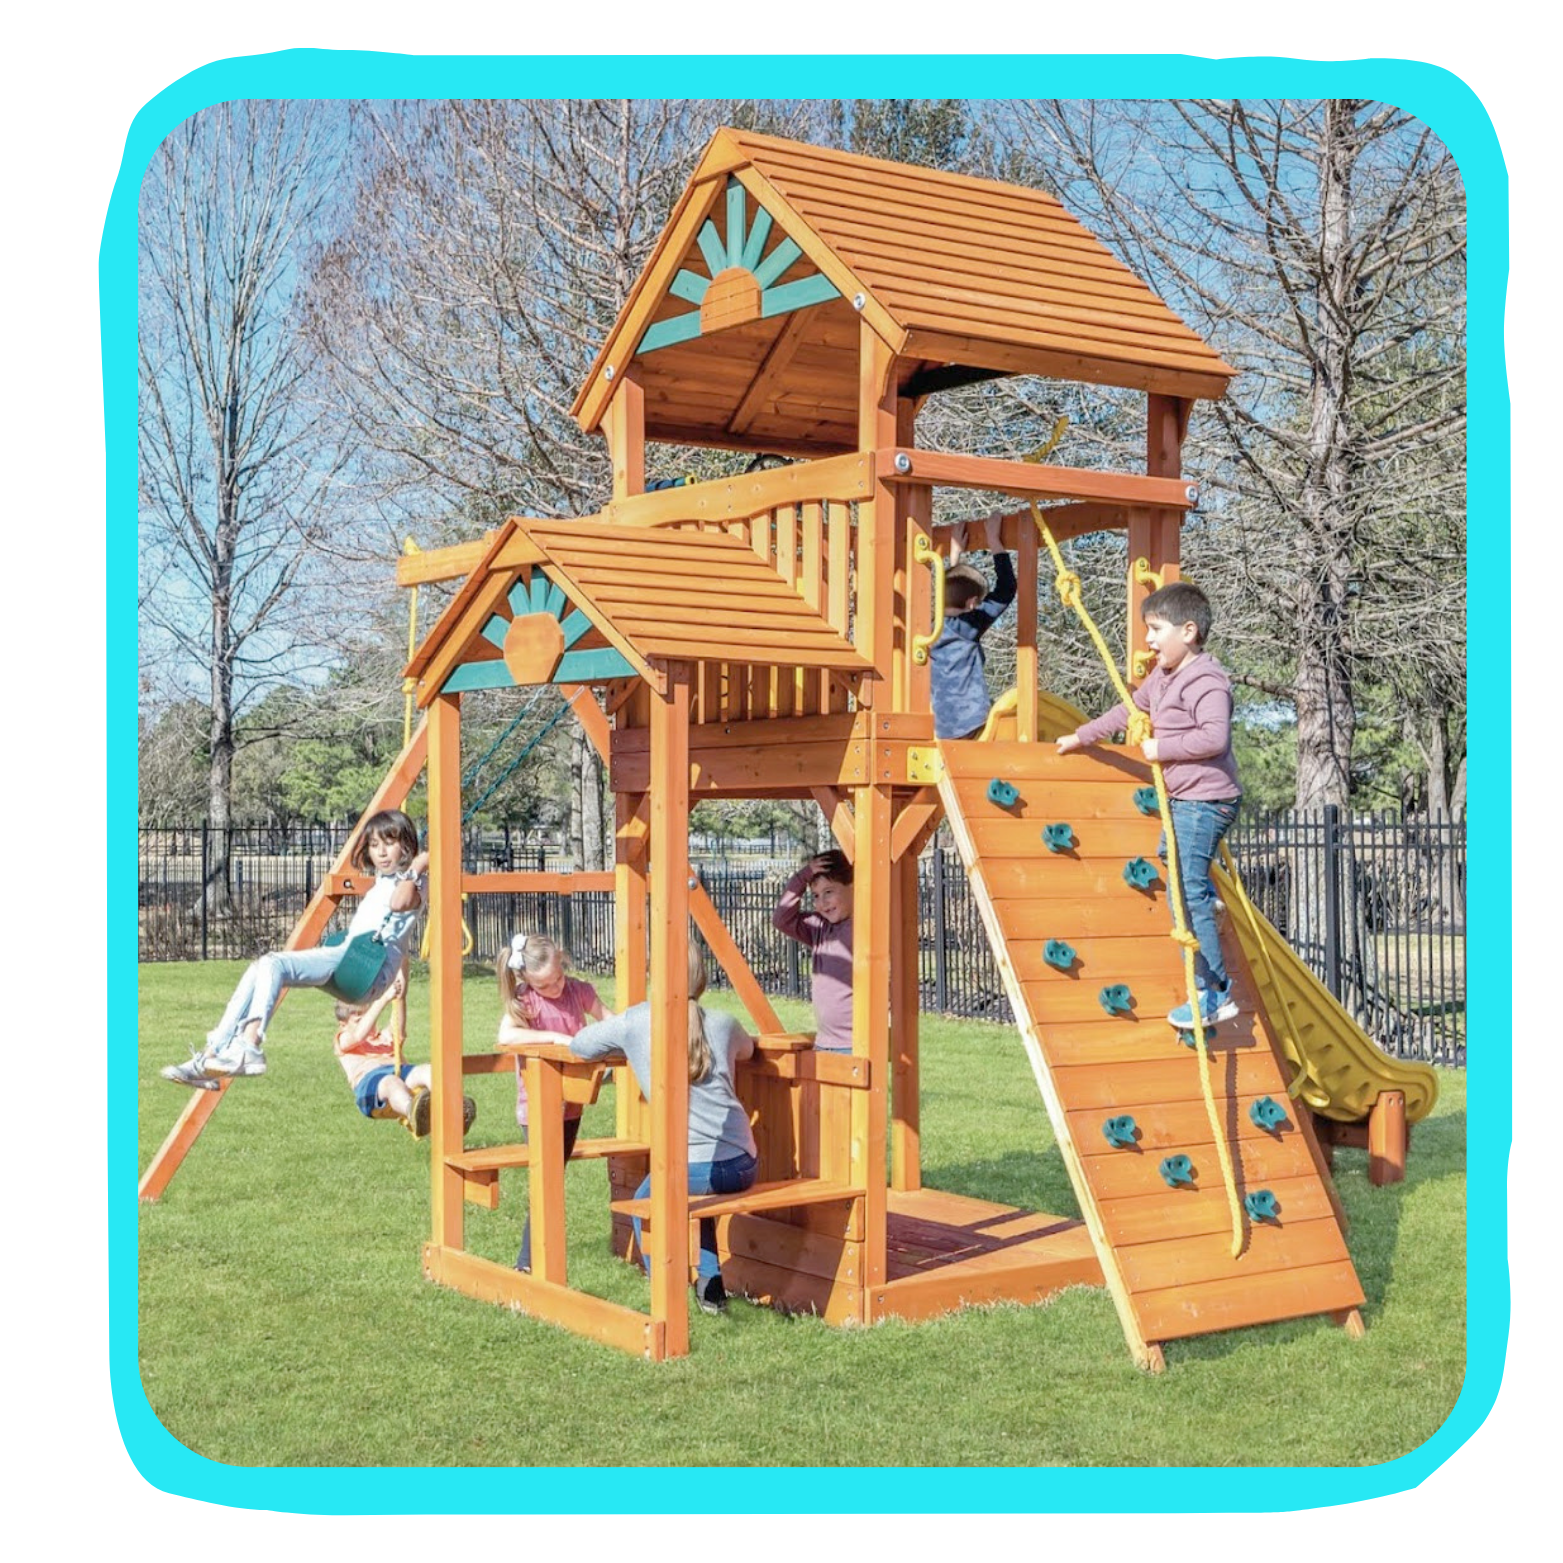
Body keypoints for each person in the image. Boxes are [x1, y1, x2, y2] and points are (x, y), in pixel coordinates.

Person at [1056, 580, 1242, 1029]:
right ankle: (1209, 904)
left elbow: (1215, 737)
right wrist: (1081, 736)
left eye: (1157, 629)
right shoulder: (1162, 678)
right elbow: (1126, 711)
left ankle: (1214, 993)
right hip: (1187, 799)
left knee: (1185, 891)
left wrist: (1164, 747)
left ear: (1190, 631)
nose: (1149, 639)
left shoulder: (1207, 679)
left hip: (1206, 798)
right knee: (1171, 862)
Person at [162, 809, 429, 1090]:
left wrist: (418, 865)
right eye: (375, 846)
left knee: (273, 964)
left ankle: (250, 1044)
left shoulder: (416, 882)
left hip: (367, 970)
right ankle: (210, 1057)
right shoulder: (386, 881)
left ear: (407, 846)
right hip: (351, 961)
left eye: (389, 843)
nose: (382, 852)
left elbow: (400, 904)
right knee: (260, 968)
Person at [568, 942, 757, 1315]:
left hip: (699, 1166)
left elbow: (579, 1045)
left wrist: (627, 1047)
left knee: (646, 1203)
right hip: (744, 1162)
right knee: (691, 1193)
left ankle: (666, 1293)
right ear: (701, 977)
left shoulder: (637, 1022)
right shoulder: (724, 1022)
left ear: (656, 975)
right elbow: (748, 1050)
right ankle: (709, 1288)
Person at [498, 932, 611, 1274]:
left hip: (571, 1105)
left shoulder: (580, 991)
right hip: (536, 1107)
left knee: (553, 1180)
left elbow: (612, 1021)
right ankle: (528, 1263)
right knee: (545, 1184)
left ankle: (532, 1261)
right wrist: (557, 1038)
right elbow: (506, 1036)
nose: (556, 987)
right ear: (527, 980)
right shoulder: (526, 1000)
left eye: (559, 976)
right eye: (546, 985)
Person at [333, 966, 476, 1138]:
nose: (368, 1022)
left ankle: (454, 1111)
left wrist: (402, 965)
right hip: (371, 1087)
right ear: (343, 1024)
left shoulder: (383, 1038)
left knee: (429, 1070)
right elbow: (358, 1035)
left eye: (368, 1016)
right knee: (390, 1082)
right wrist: (382, 999)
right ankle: (414, 1113)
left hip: (400, 1075)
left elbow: (399, 1008)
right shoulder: (343, 1039)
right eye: (359, 1019)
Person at [930, 511, 1015, 741]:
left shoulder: (930, 629)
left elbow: (952, 592)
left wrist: (955, 556)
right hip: (971, 723)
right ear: (972, 604)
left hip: (940, 728)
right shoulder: (969, 626)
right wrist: (995, 542)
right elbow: (1006, 590)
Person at [771, 849, 854, 1053]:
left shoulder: (861, 926)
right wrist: (803, 876)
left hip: (854, 1043)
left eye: (829, 892)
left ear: (854, 887)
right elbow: (781, 919)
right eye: (816, 895)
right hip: (824, 1042)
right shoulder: (819, 928)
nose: (822, 902)